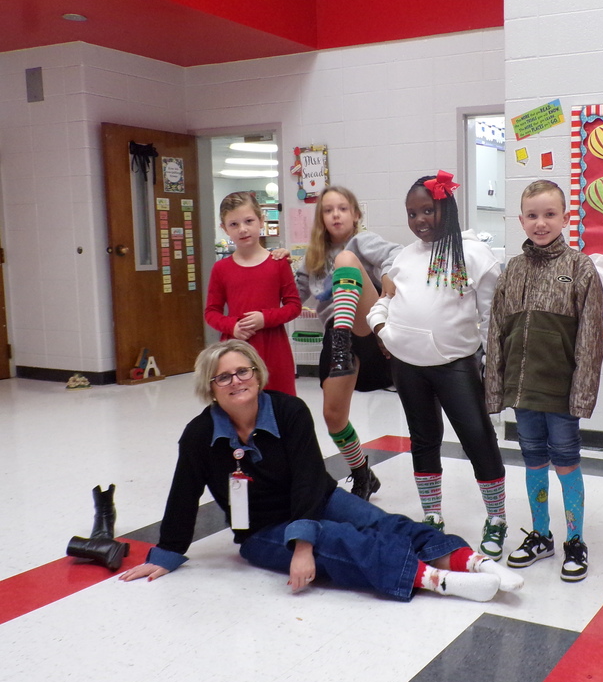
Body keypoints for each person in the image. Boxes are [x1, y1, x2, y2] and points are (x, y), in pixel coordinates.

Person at [118, 340, 523, 603]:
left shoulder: (290, 411)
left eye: (243, 371)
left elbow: (311, 479)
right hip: (260, 530)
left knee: (385, 524)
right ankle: (437, 581)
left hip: (317, 498)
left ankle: (470, 561)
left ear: (257, 374)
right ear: (210, 388)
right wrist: (168, 551)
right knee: (343, 541)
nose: (236, 381)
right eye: (223, 377)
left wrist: (303, 543)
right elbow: (184, 492)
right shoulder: (199, 435)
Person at [368, 171, 508, 560]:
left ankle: (496, 517)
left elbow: (491, 318)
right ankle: (432, 515)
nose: (419, 221)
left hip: (455, 366)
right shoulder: (403, 257)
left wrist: (487, 363)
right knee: (423, 438)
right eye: (412, 214)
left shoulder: (474, 254)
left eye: (427, 210)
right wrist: (381, 327)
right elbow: (386, 299)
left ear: (445, 207)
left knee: (478, 436)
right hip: (407, 366)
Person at [485, 180, 603, 582]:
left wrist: (582, 394)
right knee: (533, 459)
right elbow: (496, 331)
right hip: (523, 391)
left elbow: (590, 338)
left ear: (566, 218)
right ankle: (541, 534)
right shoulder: (512, 270)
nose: (541, 223)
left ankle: (575, 539)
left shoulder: (580, 267)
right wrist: (496, 388)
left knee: (567, 461)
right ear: (521, 221)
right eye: (532, 215)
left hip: (562, 392)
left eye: (549, 214)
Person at [295, 186, 402, 501]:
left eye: (342, 208)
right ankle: (362, 473)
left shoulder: (362, 242)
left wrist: (386, 284)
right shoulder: (312, 257)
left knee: (346, 258)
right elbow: (292, 295)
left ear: (356, 215)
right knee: (333, 417)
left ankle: (342, 338)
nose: (335, 215)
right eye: (328, 210)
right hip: (337, 337)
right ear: (321, 218)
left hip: (368, 329)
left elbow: (397, 258)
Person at [205, 192, 301, 395]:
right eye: (233, 224)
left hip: (273, 348)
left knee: (279, 403)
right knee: (238, 404)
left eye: (249, 221)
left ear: (261, 220)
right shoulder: (221, 269)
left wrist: (265, 318)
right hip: (236, 349)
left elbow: (294, 306)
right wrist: (233, 326)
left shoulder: (278, 263)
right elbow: (211, 313)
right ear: (224, 229)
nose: (243, 229)